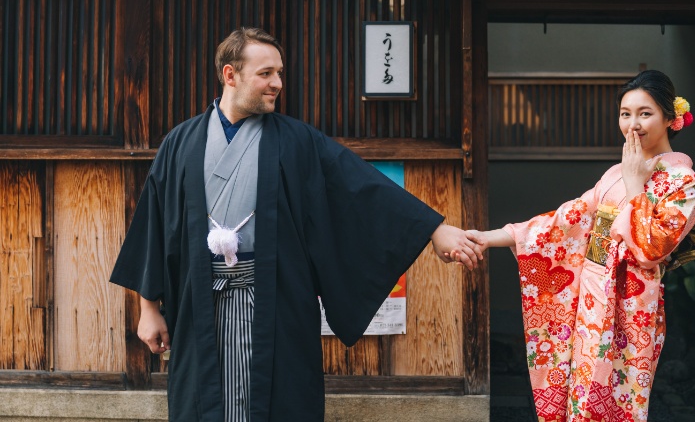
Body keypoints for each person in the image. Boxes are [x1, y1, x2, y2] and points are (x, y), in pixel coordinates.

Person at [110, 27, 482, 422]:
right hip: (200, 299)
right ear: (230, 75)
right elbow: (154, 224)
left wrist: (433, 229)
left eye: (280, 73)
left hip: (277, 300)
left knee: (283, 400)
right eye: (266, 73)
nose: (277, 84)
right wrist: (149, 308)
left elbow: (360, 188)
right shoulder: (180, 143)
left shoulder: (298, 142)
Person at [459, 70, 695, 422]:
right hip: (591, 297)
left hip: (631, 303)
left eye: (645, 113)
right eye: (625, 113)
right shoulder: (614, 174)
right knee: (582, 399)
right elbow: (565, 220)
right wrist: (488, 237)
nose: (633, 124)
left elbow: (652, 249)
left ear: (670, 118)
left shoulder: (684, 181)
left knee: (619, 401)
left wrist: (636, 185)